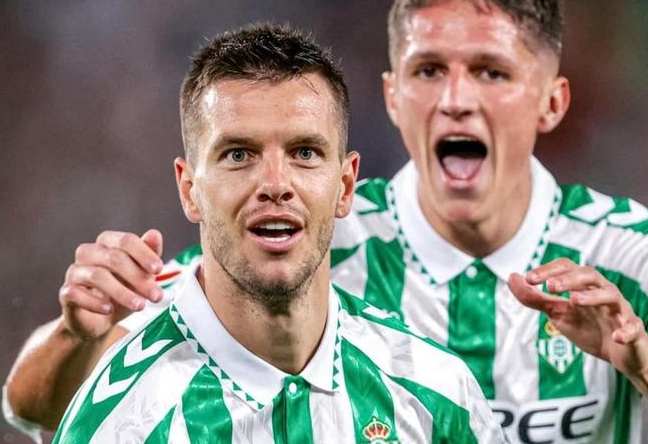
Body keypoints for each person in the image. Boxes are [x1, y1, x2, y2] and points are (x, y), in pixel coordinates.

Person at [4, 0, 648, 442]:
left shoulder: (631, 253)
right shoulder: (304, 234)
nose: (456, 99)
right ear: (394, 95)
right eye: (429, 71)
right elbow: (48, 397)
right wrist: (74, 332)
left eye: (491, 72)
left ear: (552, 100)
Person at [46, 24, 503, 443]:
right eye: (238, 154)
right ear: (189, 190)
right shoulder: (123, 424)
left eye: (305, 152)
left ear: (345, 186)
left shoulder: (438, 394)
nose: (275, 184)